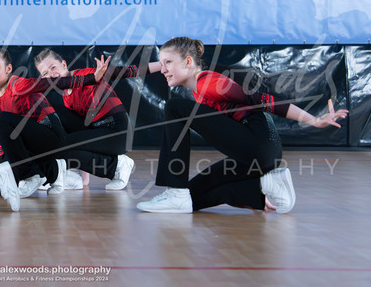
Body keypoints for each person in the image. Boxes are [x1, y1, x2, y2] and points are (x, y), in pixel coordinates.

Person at [136, 37, 348, 214]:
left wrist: (314, 120)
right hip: (252, 156)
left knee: (175, 107)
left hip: (259, 145)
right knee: (191, 197)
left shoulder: (211, 83)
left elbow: (262, 100)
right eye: (161, 63)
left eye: (168, 62)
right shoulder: (199, 91)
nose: (163, 70)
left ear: (188, 61)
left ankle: (175, 191)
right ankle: (261, 188)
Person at [0, 48, 109, 196]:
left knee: (3, 122)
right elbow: (1, 135)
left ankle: (38, 174)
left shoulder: (18, 85)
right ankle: (51, 173)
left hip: (51, 134)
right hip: (31, 139)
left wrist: (93, 78)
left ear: (8, 68)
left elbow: (54, 83)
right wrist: (4, 165)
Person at [33, 48, 161, 190]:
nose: (51, 74)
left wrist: (162, 64)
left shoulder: (86, 75)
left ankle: (117, 166)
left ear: (63, 64)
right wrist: (85, 179)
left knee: (60, 143)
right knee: (55, 127)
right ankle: (79, 177)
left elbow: (125, 72)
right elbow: (79, 132)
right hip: (97, 132)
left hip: (117, 132)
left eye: (53, 67)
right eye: (45, 73)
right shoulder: (66, 96)